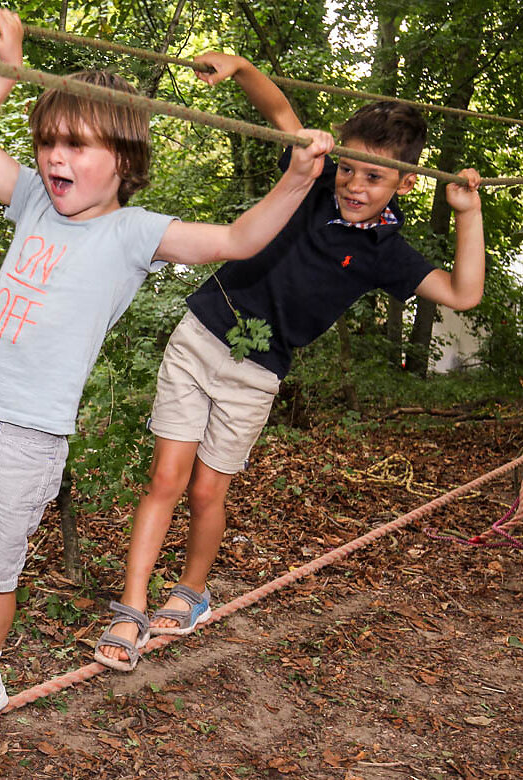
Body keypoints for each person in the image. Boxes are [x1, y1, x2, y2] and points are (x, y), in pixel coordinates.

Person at [0, 13, 332, 772]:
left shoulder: (134, 233)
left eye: (76, 144)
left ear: (124, 159)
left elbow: (236, 240)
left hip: (30, 434)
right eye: (48, 141)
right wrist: (5, 69)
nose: (54, 156)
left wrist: (298, 178)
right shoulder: (34, 199)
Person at [96, 52, 485, 671]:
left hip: (259, 371)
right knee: (167, 478)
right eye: (349, 168)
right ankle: (132, 604)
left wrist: (469, 214)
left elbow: (463, 294)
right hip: (203, 334)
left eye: (374, 177)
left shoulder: (388, 253)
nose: (355, 185)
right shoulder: (312, 184)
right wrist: (240, 67)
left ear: (405, 184)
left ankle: (190, 591)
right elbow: (281, 113)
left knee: (207, 489)